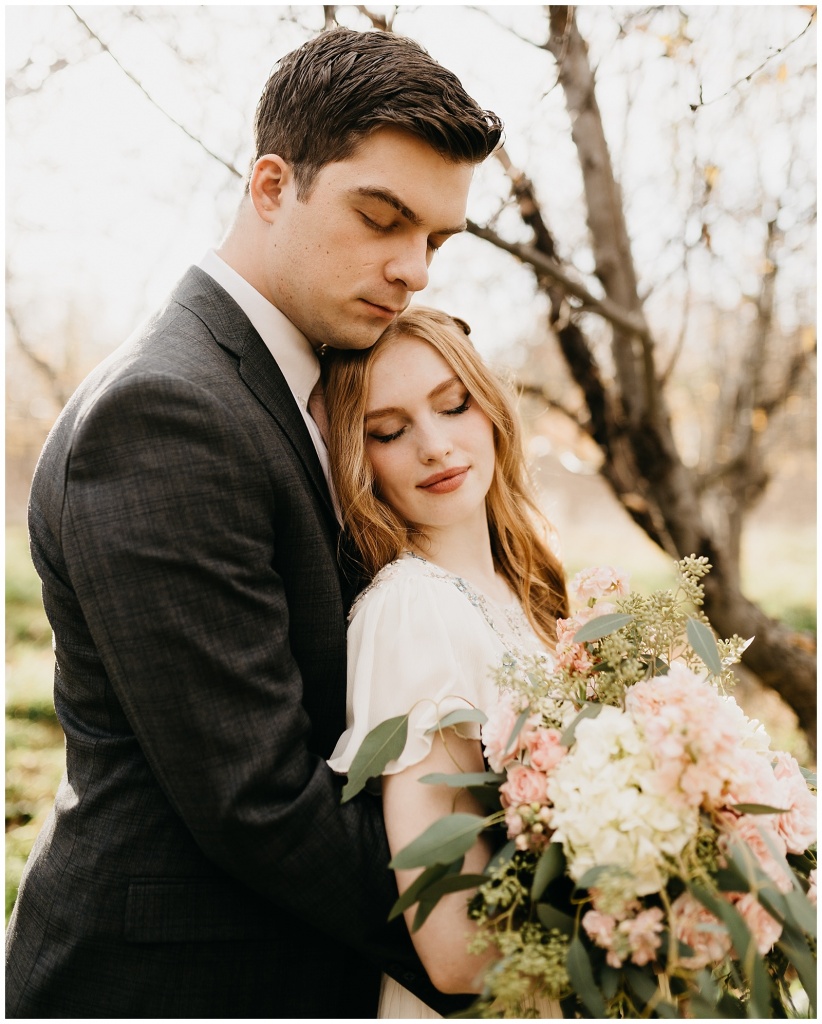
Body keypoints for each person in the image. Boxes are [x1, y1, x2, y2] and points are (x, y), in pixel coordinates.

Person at [5, 29, 503, 1019]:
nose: (415, 270)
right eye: (383, 216)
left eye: (436, 239)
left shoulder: (302, 390)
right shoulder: (168, 409)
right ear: (273, 185)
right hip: (172, 982)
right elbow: (258, 797)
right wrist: (513, 945)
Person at [323, 307, 569, 1017]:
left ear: (489, 408)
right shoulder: (411, 614)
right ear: (356, 458)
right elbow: (452, 947)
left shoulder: (534, 592)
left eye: (453, 405)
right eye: (390, 431)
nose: (435, 446)